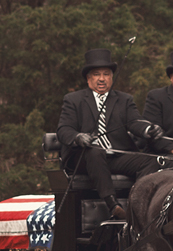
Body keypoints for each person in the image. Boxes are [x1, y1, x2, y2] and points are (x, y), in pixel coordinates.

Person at [57, 49, 164, 219]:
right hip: (84, 157)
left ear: (112, 77)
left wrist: (148, 129)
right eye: (96, 74)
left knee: (151, 161)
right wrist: (78, 137)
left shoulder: (124, 99)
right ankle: (113, 205)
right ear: (88, 78)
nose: (101, 78)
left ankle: (139, 204)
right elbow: (64, 130)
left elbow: (135, 122)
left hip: (116, 155)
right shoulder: (73, 100)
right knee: (95, 150)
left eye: (106, 74)